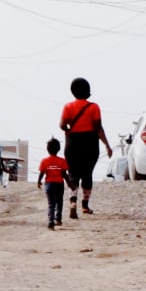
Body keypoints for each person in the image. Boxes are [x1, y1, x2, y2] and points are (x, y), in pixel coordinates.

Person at [59, 77, 113, 218]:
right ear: (88, 91)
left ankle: (72, 202)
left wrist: (69, 128)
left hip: (72, 144)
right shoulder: (94, 107)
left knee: (73, 174)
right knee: (87, 174)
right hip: (90, 143)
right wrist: (107, 145)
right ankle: (85, 205)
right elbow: (98, 128)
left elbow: (62, 125)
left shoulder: (68, 107)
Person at [36, 137, 74, 230]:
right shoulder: (62, 161)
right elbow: (64, 174)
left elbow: (42, 173)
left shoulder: (44, 161)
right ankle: (58, 219)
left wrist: (39, 181)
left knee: (51, 203)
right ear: (59, 149)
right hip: (59, 185)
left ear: (47, 149)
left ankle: (50, 222)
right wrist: (70, 184)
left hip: (49, 184)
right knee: (59, 202)